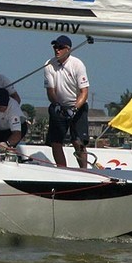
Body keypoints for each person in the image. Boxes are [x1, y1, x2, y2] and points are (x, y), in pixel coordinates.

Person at [43, 35, 90, 168]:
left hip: (77, 107)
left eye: (60, 48)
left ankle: (84, 171)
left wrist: (74, 108)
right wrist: (57, 105)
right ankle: (62, 170)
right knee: (56, 142)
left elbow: (84, 92)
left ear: (68, 49)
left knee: (77, 140)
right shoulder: (49, 65)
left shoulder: (77, 64)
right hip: (59, 106)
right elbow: (51, 91)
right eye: (55, 47)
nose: (57, 50)